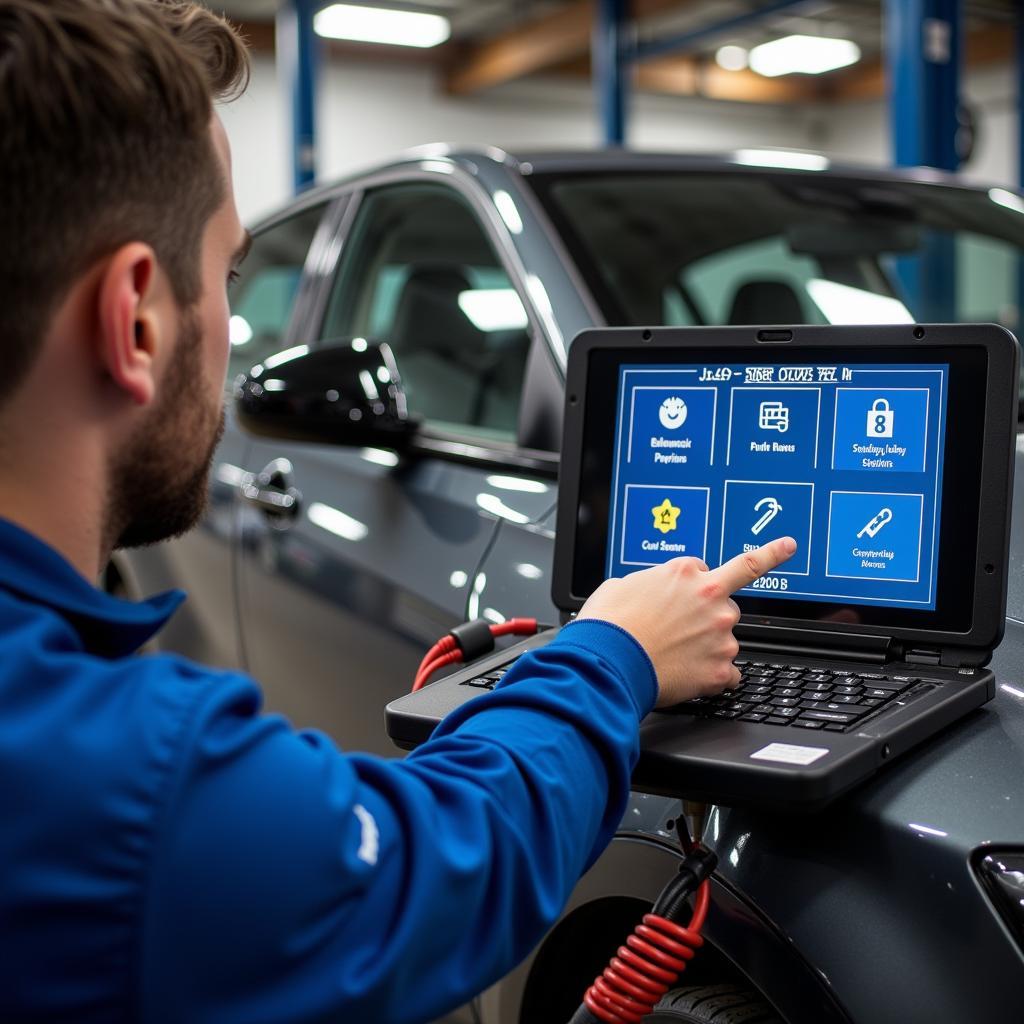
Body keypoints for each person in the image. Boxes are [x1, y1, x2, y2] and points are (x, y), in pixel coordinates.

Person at [0, 2, 795, 1021]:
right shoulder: (121, 787)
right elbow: (429, 861)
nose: (239, 340)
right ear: (139, 317)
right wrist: (611, 650)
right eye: (229, 273)